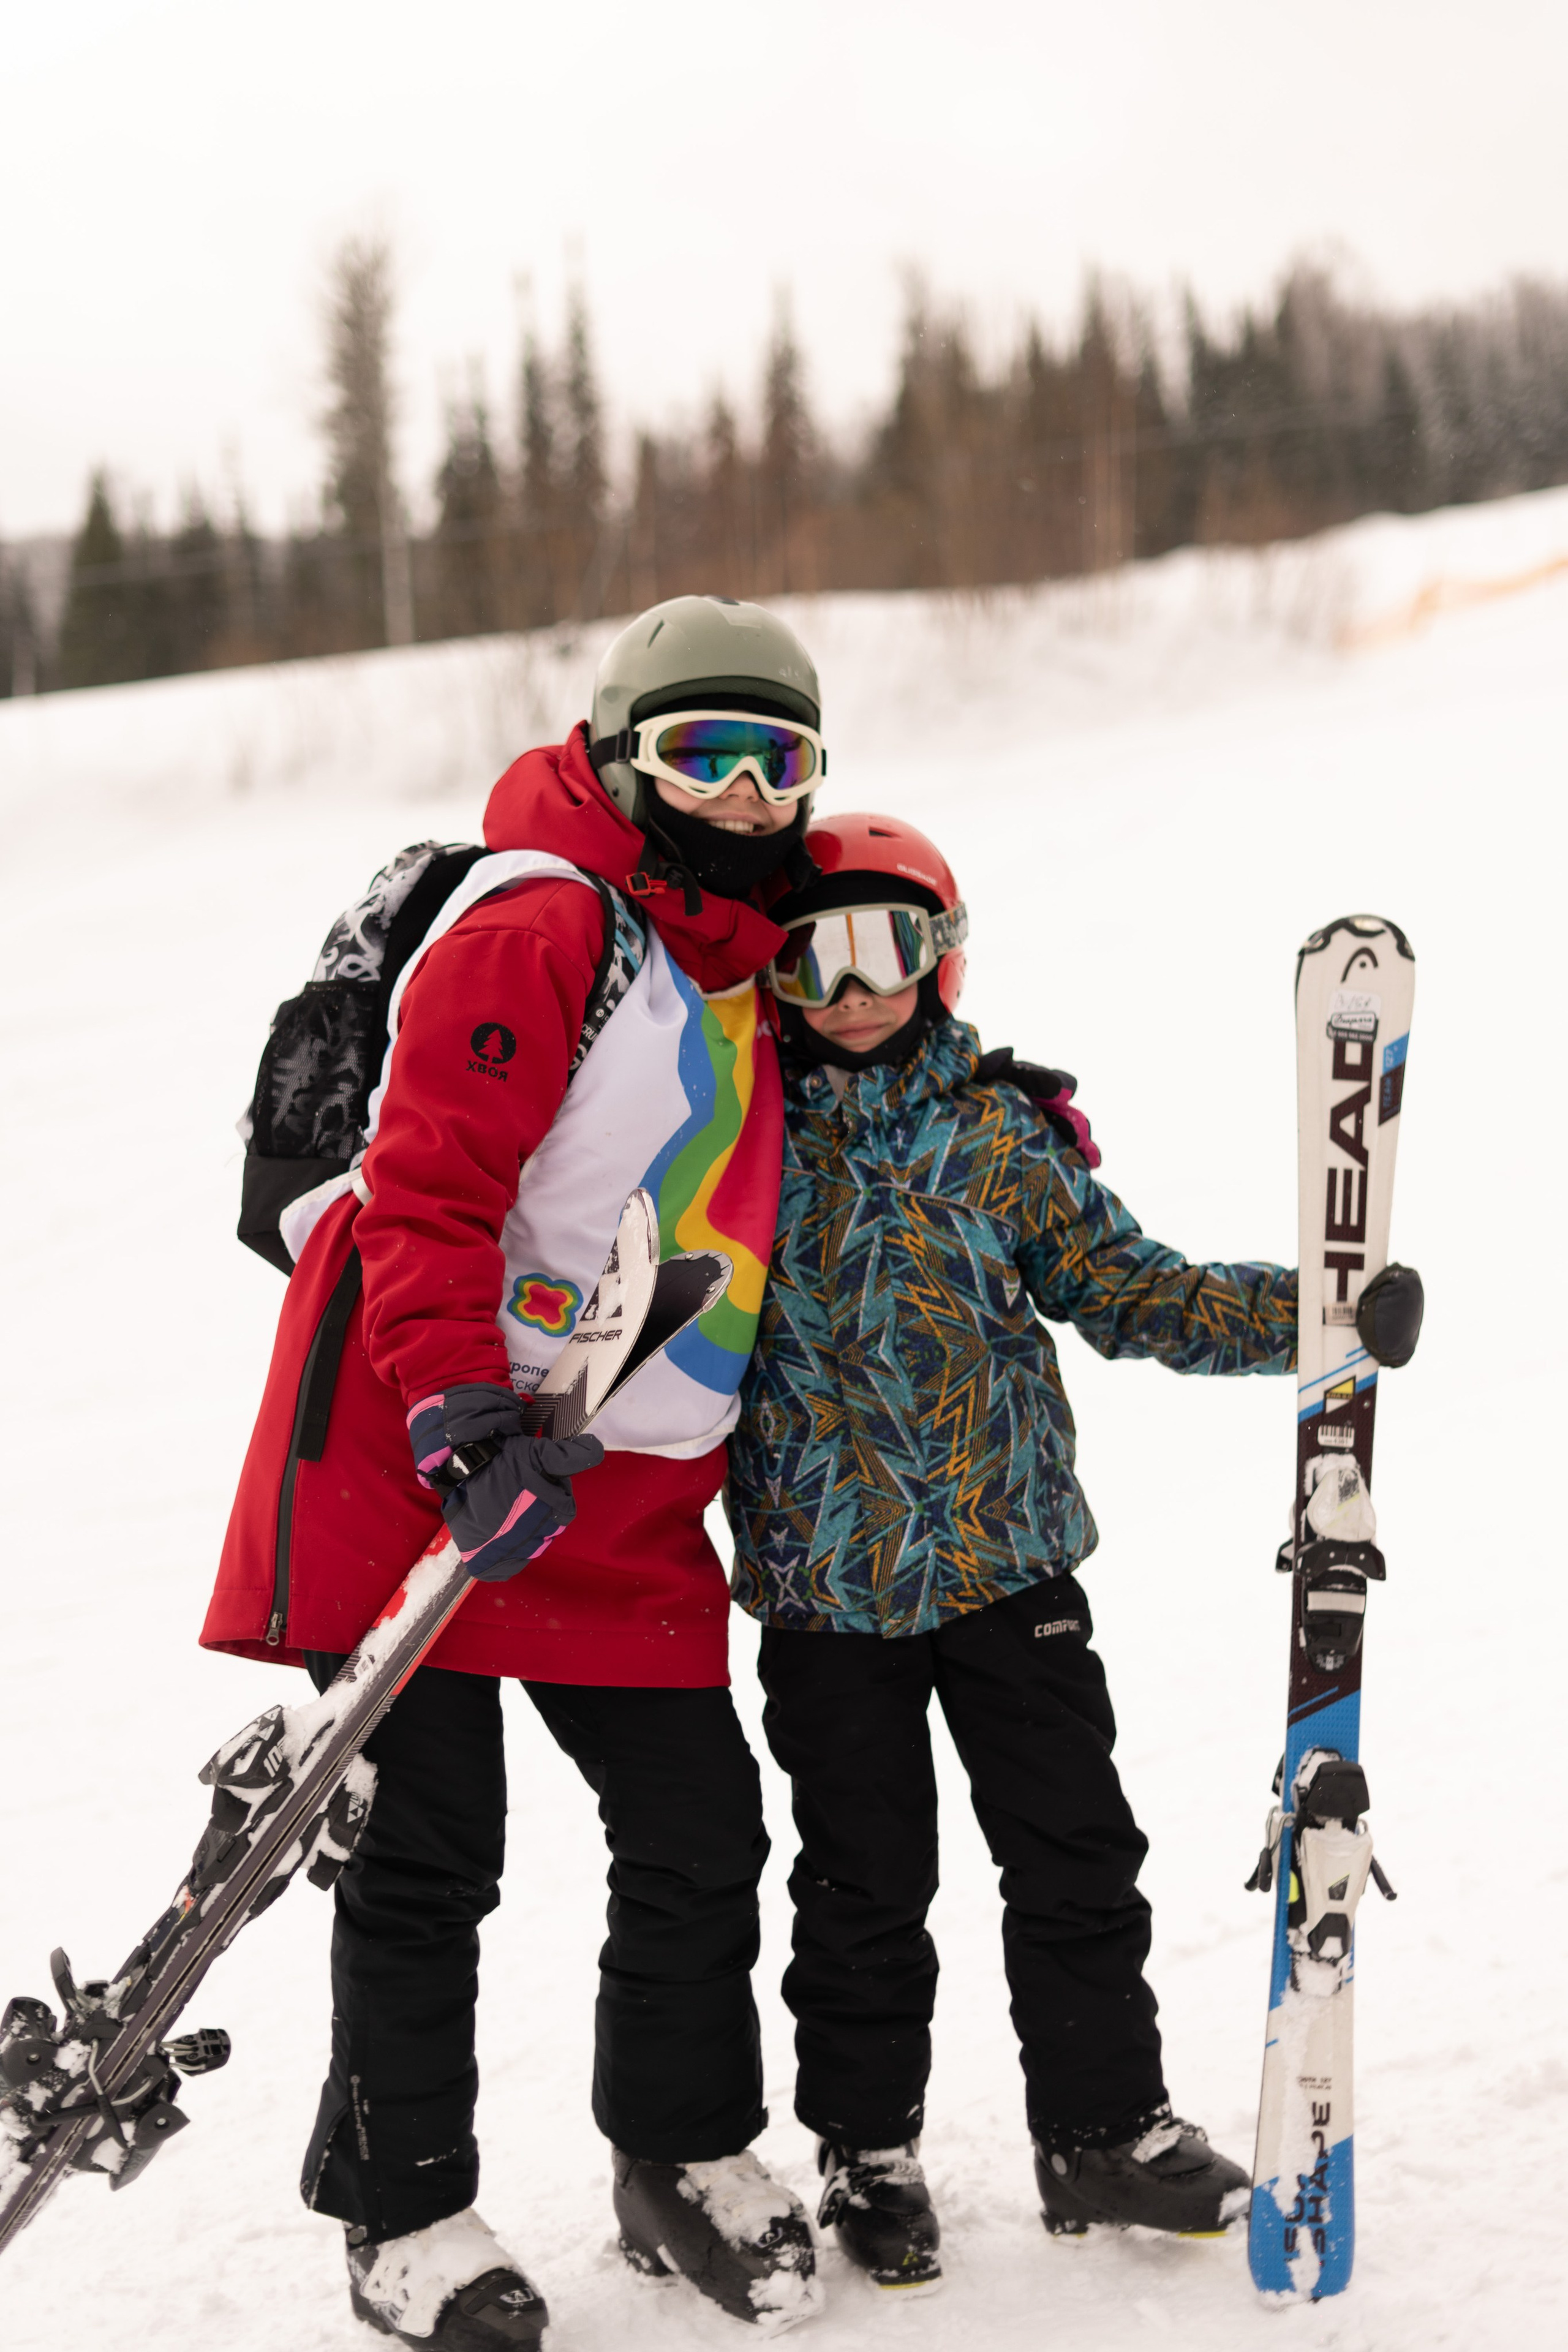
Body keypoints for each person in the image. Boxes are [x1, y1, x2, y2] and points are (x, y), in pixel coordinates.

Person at [202, 597, 842, 2345]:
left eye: (776, 760)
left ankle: (679, 2152)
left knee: (702, 1830)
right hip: (445, 1451)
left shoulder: (742, 956)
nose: (741, 795)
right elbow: (426, 1192)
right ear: (625, 762)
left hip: (623, 1487)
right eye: (701, 755)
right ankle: (403, 2219)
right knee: (426, 1855)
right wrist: (461, 1419)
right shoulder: (544, 917)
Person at [725, 812, 1425, 2291]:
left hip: (1012, 1571)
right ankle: (867, 2147)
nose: (849, 990)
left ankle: (1099, 2127)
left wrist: (1313, 1313)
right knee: (862, 1883)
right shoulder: (735, 1140)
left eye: (883, 950)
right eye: (809, 958)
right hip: (829, 1593)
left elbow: (1125, 1288)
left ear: (940, 956)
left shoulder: (994, 1133)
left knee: (1074, 1855)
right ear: (767, 976)